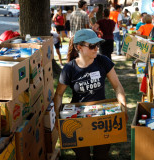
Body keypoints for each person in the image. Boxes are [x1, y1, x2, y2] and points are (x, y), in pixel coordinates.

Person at [54, 29, 127, 160]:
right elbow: (58, 94)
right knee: (83, 156)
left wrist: (123, 106)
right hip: (77, 120)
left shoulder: (103, 61)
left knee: (102, 154)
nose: (96, 49)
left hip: (102, 119)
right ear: (79, 47)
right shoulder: (69, 69)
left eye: (97, 45)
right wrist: (58, 118)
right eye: (92, 46)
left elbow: (117, 86)